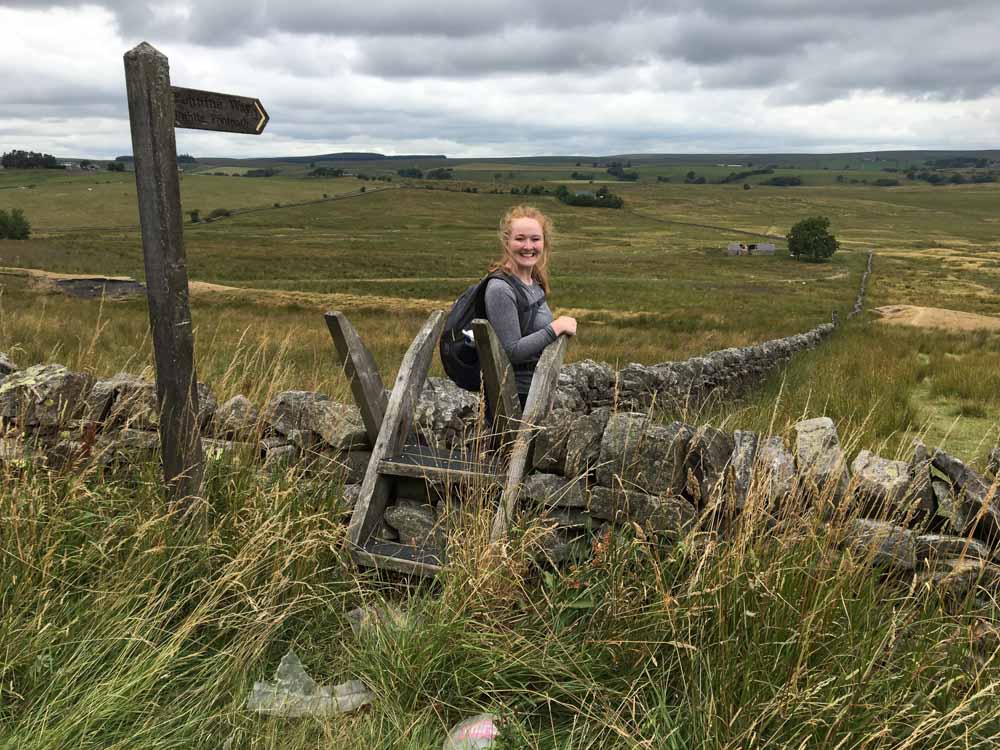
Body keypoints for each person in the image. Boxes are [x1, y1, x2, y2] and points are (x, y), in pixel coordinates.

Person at [484, 205, 577, 408]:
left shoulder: (533, 281)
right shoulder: (500, 289)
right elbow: (511, 351)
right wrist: (556, 328)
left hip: (537, 389)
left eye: (535, 239)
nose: (528, 246)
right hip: (515, 401)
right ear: (507, 242)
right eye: (520, 239)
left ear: (544, 242)